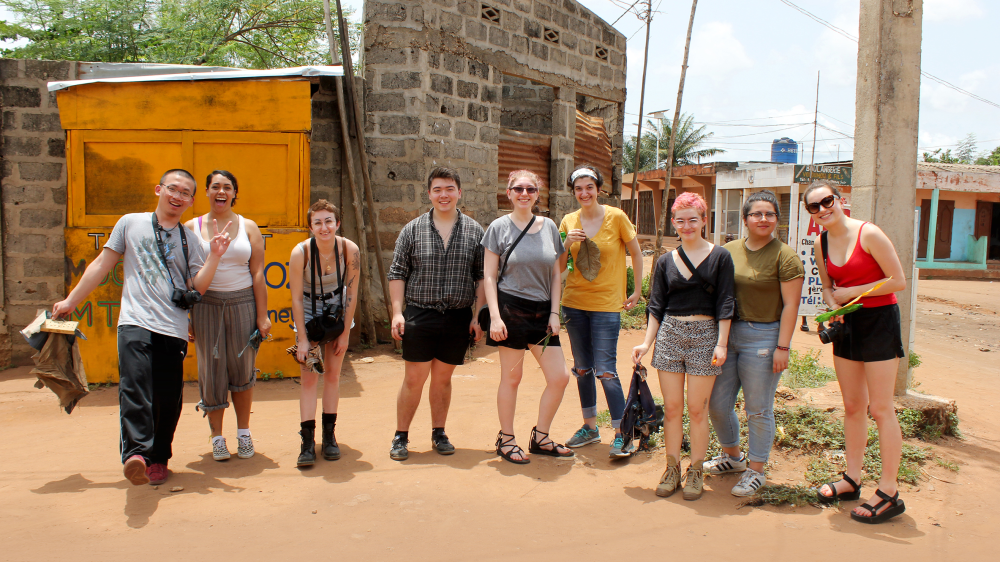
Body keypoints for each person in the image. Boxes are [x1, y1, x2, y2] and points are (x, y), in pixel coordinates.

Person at [52, 169, 232, 486]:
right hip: (134, 321)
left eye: (185, 193)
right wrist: (71, 301)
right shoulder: (130, 223)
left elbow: (196, 288)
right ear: (158, 189)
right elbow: (101, 264)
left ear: (192, 201)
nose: (177, 196)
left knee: (167, 397)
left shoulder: (190, 240)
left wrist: (214, 256)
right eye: (173, 189)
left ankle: (159, 458)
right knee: (134, 386)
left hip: (173, 327)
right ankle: (136, 454)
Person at [807, 180, 908, 524]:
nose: (822, 210)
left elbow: (898, 280)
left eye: (827, 201)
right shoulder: (821, 242)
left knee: (880, 408)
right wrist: (832, 306)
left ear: (839, 199)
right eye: (814, 207)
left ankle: (890, 491)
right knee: (853, 406)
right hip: (847, 324)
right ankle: (852, 478)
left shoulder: (869, 234)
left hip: (880, 320)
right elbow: (827, 286)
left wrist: (855, 291)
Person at [632, 192, 734, 500]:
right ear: (673, 224)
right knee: (673, 409)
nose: (687, 226)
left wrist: (722, 343)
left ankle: (696, 470)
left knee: (698, 410)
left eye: (693, 219)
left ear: (704, 220)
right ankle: (672, 467)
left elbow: (726, 301)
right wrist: (647, 343)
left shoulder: (720, 256)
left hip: (706, 335)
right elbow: (656, 306)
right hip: (670, 335)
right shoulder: (664, 261)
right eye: (681, 220)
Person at [706, 190, 804, 496]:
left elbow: (791, 306)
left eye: (770, 214)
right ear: (745, 219)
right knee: (718, 404)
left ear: (776, 219)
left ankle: (756, 470)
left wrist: (783, 346)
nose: (763, 219)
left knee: (758, 409)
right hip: (726, 336)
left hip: (764, 337)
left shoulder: (784, 256)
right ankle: (733, 457)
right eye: (756, 214)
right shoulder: (728, 250)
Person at [387, 167, 486, 461]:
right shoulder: (412, 229)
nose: (444, 195)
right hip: (420, 313)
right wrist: (397, 313)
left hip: (457, 316)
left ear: (459, 192)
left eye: (449, 189)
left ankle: (438, 433)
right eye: (438, 190)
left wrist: (476, 316)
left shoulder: (474, 231)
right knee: (414, 379)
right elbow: (397, 273)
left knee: (443, 379)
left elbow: (481, 276)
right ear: (429, 193)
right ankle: (401, 436)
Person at [483, 170, 573, 464]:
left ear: (538, 194)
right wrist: (495, 318)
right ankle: (506, 439)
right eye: (518, 189)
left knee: (559, 377)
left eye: (530, 189)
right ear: (508, 193)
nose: (524, 194)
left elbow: (556, 275)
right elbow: (489, 276)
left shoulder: (548, 227)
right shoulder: (498, 228)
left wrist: (555, 312)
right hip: (511, 310)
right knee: (512, 378)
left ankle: (540, 436)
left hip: (542, 312)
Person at [558, 164, 643, 458]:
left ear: (598, 189)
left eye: (589, 187)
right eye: (578, 188)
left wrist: (636, 289)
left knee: (606, 371)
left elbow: (636, 252)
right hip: (574, 303)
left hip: (607, 305)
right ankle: (590, 428)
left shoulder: (616, 217)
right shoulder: (568, 221)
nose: (584, 193)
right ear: (574, 192)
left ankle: (622, 433)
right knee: (583, 369)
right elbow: (558, 265)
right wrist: (567, 243)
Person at [185, 170, 270, 462]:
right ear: (206, 192)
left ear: (234, 193)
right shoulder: (190, 227)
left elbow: (258, 273)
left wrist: (263, 315)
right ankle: (217, 437)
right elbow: (186, 278)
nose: (221, 192)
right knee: (212, 371)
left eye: (227, 187)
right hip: (205, 305)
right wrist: (187, 318)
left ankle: (244, 433)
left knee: (243, 368)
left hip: (243, 303)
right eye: (215, 187)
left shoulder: (249, 227)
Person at [288, 200, 361, 467]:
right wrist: (303, 340)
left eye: (329, 221)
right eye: (317, 222)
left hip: (337, 311)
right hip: (308, 312)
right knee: (309, 378)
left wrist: (344, 334)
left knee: (332, 375)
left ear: (337, 223)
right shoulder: (301, 253)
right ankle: (307, 440)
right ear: (310, 227)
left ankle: (329, 436)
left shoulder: (349, 249)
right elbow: (295, 298)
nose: (324, 227)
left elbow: (352, 292)